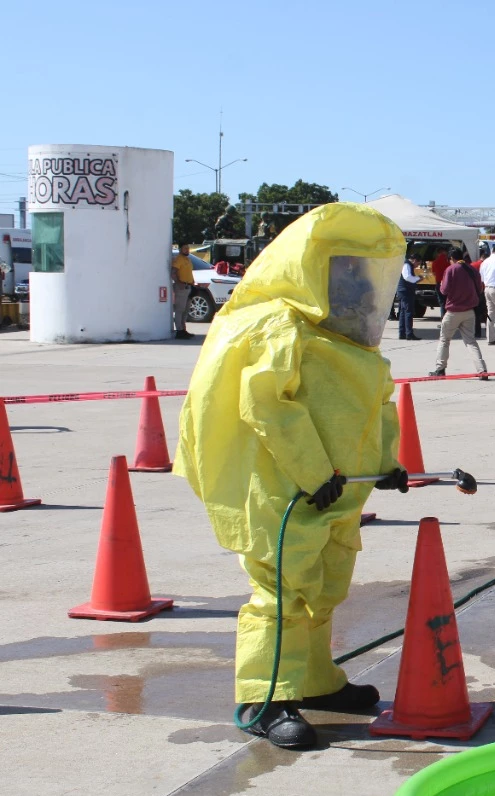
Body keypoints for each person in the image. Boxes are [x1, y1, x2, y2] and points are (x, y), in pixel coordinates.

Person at [175, 203, 409, 749]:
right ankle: (265, 696)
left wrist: (388, 465)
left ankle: (314, 681)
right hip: (286, 489)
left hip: (337, 491)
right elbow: (267, 406)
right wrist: (311, 472)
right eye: (346, 268)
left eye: (363, 269)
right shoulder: (280, 326)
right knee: (279, 591)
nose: (357, 282)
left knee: (324, 585)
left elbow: (379, 407)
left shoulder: (353, 342)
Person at [431, 248, 490, 378]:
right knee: (471, 342)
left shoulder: (451, 270)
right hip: (469, 312)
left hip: (453, 311)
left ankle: (440, 369)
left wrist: (441, 284)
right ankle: (482, 369)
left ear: (451, 259)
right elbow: (480, 288)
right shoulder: (472, 269)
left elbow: (444, 291)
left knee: (444, 340)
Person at [170, 243, 195, 340]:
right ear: (180, 249)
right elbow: (173, 272)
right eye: (185, 248)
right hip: (182, 287)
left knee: (186, 310)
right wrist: (178, 282)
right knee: (179, 309)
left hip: (188, 286)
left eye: (188, 248)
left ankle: (183, 329)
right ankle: (179, 331)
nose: (187, 250)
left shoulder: (188, 259)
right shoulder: (179, 259)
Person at [396, 249, 420, 340]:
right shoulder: (406, 265)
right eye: (417, 263)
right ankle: (409, 333)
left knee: (403, 312)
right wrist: (418, 278)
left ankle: (402, 333)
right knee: (408, 312)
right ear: (414, 260)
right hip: (405, 291)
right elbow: (407, 277)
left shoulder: (406, 264)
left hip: (403, 291)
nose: (417, 266)